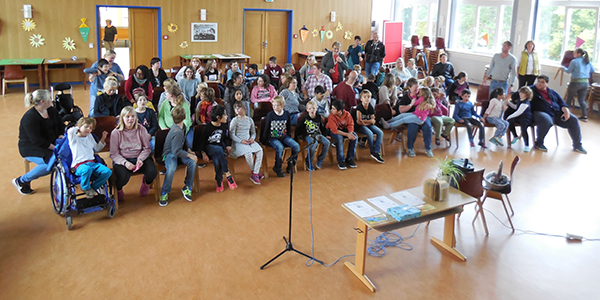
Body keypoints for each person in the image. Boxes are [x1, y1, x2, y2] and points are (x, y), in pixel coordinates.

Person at [13, 90, 65, 195]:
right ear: (42, 101)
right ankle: (22, 180)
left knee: (63, 157)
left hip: (51, 143)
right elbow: (37, 140)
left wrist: (60, 135)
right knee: (50, 164)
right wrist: (54, 148)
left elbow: (61, 125)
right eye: (49, 98)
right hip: (31, 147)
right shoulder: (29, 118)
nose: (51, 100)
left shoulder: (52, 111)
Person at [110, 106, 157, 201]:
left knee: (152, 172)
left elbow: (146, 148)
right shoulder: (116, 133)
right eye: (127, 117)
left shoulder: (141, 129)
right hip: (124, 159)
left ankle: (146, 183)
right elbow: (114, 154)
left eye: (133, 116)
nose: (130, 119)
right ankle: (119, 190)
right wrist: (125, 163)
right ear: (122, 118)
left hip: (139, 157)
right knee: (122, 177)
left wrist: (140, 159)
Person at [530, 75, 586, 154]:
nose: (539, 84)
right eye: (538, 82)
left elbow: (562, 103)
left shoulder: (552, 92)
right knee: (546, 121)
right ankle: (539, 142)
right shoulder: (531, 90)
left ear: (547, 84)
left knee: (573, 119)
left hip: (556, 112)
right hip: (541, 112)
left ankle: (577, 145)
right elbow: (519, 95)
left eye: (542, 82)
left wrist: (566, 111)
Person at [159, 106, 198, 206]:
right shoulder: (177, 132)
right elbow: (176, 151)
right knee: (171, 168)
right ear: (185, 117)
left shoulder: (183, 127)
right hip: (170, 154)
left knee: (192, 163)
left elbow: (183, 140)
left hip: (180, 151)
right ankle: (164, 191)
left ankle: (187, 187)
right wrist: (189, 155)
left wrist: (188, 149)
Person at [67, 117, 112, 198]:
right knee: (87, 169)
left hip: (92, 163)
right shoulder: (74, 138)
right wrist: (79, 127)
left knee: (107, 172)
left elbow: (97, 148)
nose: (88, 129)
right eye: (86, 127)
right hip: (79, 165)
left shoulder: (90, 136)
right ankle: (85, 187)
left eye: (91, 128)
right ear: (79, 126)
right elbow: (70, 131)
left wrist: (103, 138)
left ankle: (93, 188)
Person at [197, 105, 237, 192]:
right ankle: (227, 174)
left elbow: (226, 138)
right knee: (219, 151)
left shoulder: (224, 126)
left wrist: (228, 145)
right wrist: (203, 153)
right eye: (224, 115)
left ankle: (219, 180)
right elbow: (201, 143)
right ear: (218, 117)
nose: (226, 117)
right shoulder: (207, 128)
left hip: (219, 150)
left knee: (217, 158)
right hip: (209, 148)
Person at [260, 96, 299, 177]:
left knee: (296, 146)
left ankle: (291, 164)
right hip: (273, 138)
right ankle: (278, 167)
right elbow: (266, 128)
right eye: (273, 105)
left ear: (282, 105)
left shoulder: (286, 114)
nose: (274, 107)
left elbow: (288, 127)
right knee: (280, 147)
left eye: (276, 105)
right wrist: (263, 140)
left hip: (284, 136)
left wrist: (288, 137)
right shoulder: (270, 115)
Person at [229, 101, 264, 184]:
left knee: (260, 150)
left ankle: (255, 172)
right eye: (235, 108)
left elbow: (253, 132)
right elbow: (231, 134)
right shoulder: (235, 120)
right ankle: (255, 172)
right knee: (248, 153)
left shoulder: (249, 119)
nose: (237, 110)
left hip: (249, 141)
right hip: (238, 143)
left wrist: (252, 138)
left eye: (239, 108)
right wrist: (241, 141)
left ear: (244, 109)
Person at [84, 51, 124, 115]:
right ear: (105, 56)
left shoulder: (115, 66)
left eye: (113, 58)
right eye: (111, 58)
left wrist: (115, 74)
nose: (112, 60)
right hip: (97, 90)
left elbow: (122, 77)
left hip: (109, 91)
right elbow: (90, 78)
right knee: (93, 108)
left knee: (109, 109)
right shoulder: (97, 65)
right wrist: (95, 72)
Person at [296, 100, 330, 170]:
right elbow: (298, 127)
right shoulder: (304, 118)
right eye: (310, 108)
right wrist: (297, 137)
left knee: (327, 142)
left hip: (317, 134)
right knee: (314, 144)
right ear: (307, 110)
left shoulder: (319, 117)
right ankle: (309, 161)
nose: (312, 110)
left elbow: (321, 127)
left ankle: (320, 158)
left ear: (316, 109)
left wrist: (325, 135)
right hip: (308, 135)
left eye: (314, 108)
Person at [563, 48, 595, 121]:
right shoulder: (587, 61)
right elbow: (593, 70)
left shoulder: (574, 61)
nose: (573, 54)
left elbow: (568, 71)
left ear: (579, 54)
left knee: (569, 99)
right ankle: (584, 116)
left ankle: (565, 115)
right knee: (581, 100)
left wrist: (563, 68)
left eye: (575, 53)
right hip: (585, 83)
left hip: (575, 82)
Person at [327, 99, 358, 170]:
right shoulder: (331, 116)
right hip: (332, 131)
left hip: (343, 129)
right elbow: (334, 130)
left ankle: (350, 158)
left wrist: (350, 133)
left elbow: (350, 125)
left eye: (334, 109)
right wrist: (347, 135)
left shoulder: (347, 114)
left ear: (340, 111)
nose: (331, 110)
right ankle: (341, 160)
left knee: (354, 137)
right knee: (340, 139)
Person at [355, 90, 384, 163]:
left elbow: (373, 120)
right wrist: (369, 121)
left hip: (368, 125)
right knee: (370, 134)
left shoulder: (370, 107)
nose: (367, 99)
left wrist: (368, 122)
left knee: (380, 132)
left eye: (368, 97)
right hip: (360, 127)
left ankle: (376, 151)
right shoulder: (359, 108)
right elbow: (359, 121)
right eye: (365, 97)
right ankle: (372, 151)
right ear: (361, 99)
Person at [506, 86, 533, 152]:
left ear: (527, 95)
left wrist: (508, 117)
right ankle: (515, 136)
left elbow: (518, 112)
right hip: (519, 117)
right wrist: (508, 102)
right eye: (520, 92)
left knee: (523, 129)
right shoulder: (520, 100)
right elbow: (516, 107)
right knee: (510, 122)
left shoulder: (525, 103)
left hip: (525, 118)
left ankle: (527, 145)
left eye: (522, 93)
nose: (520, 94)